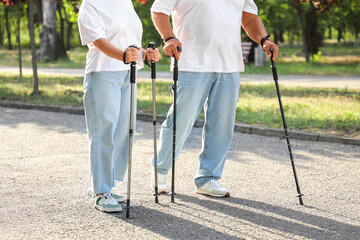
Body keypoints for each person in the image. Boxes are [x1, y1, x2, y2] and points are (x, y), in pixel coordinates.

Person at [150, 0, 279, 197]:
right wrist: (168, 38)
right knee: (180, 121)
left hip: (229, 64)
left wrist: (264, 40)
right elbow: (158, 11)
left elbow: (249, 17)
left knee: (222, 126)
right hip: (192, 62)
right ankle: (160, 171)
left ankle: (208, 178)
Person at [78, 0, 160, 212]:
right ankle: (100, 191)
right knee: (103, 132)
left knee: (122, 131)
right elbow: (99, 41)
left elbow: (128, 42)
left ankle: (106, 184)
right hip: (103, 73)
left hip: (127, 74)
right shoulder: (91, 4)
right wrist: (123, 56)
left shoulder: (124, 3)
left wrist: (144, 54)